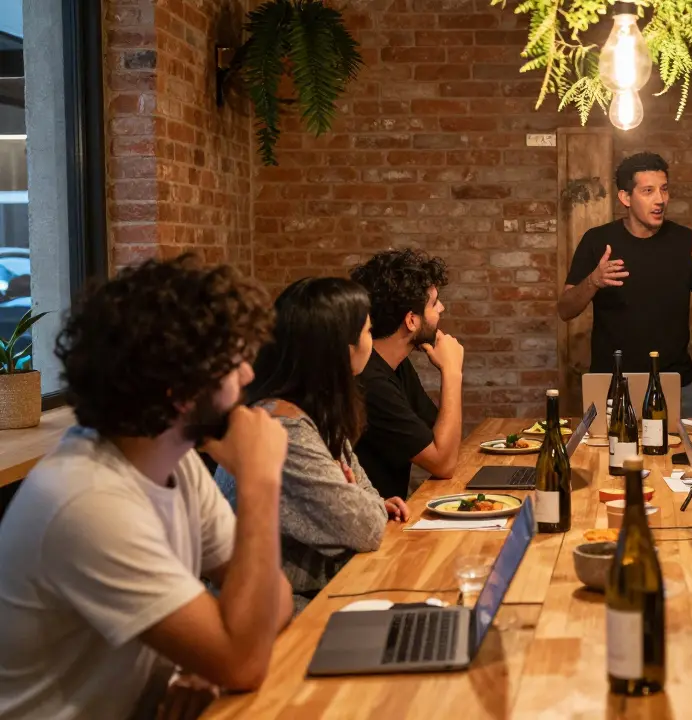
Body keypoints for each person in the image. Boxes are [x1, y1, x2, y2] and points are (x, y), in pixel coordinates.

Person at [0, 256, 294, 719]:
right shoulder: (86, 501)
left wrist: (208, 664)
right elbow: (244, 662)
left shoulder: (174, 458)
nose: (249, 376)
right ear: (179, 391)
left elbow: (273, 598)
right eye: (235, 361)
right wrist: (260, 479)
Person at [214, 277, 411, 615]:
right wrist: (363, 503)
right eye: (366, 331)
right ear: (340, 348)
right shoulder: (286, 429)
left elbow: (366, 494)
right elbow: (366, 527)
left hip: (316, 594)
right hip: (278, 614)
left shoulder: (315, 412)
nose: (371, 342)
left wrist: (362, 500)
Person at [557, 151, 692, 413]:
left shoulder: (685, 243)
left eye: (664, 189)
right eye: (648, 191)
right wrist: (593, 280)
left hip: (674, 386)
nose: (660, 200)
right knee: (604, 455)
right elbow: (565, 309)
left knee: (677, 454)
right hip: (610, 385)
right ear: (626, 197)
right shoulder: (597, 241)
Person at [350, 249, 464, 499]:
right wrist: (452, 372)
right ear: (411, 320)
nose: (442, 308)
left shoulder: (396, 365)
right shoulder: (370, 382)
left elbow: (443, 437)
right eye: (434, 303)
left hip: (389, 515)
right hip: (377, 528)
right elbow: (443, 463)